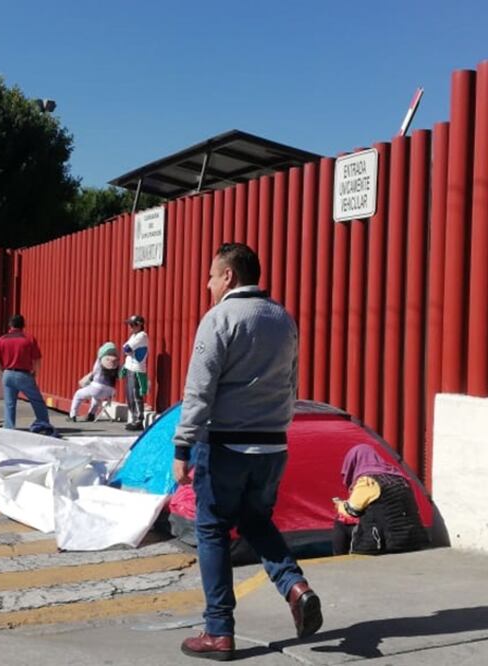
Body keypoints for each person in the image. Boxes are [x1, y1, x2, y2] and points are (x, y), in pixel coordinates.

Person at [174, 242, 321, 660]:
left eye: (210, 275)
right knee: (257, 522)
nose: (207, 284)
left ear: (229, 277)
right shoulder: (282, 319)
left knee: (212, 529)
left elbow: (199, 390)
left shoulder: (219, 318)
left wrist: (183, 445)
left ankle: (218, 630)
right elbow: (291, 384)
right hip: (272, 445)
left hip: (225, 446)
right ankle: (296, 587)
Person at [332, 444, 429, 555]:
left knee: (341, 523)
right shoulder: (399, 477)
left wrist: (339, 505)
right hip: (413, 539)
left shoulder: (368, 481)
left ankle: (338, 560)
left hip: (384, 543)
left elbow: (352, 511)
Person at [0, 315, 54, 433]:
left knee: (9, 403)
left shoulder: (2, 339)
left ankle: (9, 428)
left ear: (10, 325)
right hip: (24, 374)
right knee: (37, 400)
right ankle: (44, 424)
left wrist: (5, 370)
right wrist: (34, 372)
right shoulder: (29, 338)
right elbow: (37, 358)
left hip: (8, 373)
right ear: (23, 325)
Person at [68, 342, 120, 422]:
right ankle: (91, 414)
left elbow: (95, 371)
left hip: (97, 387)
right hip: (110, 391)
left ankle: (72, 415)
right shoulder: (117, 363)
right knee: (97, 397)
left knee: (78, 394)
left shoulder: (100, 360)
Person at [122, 314, 149, 431]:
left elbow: (127, 349)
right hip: (130, 367)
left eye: (132, 325)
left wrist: (128, 350)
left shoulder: (142, 336)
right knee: (130, 395)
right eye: (129, 324)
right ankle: (133, 419)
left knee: (136, 395)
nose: (130, 327)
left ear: (139, 325)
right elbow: (125, 348)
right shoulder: (134, 336)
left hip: (137, 369)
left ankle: (139, 420)